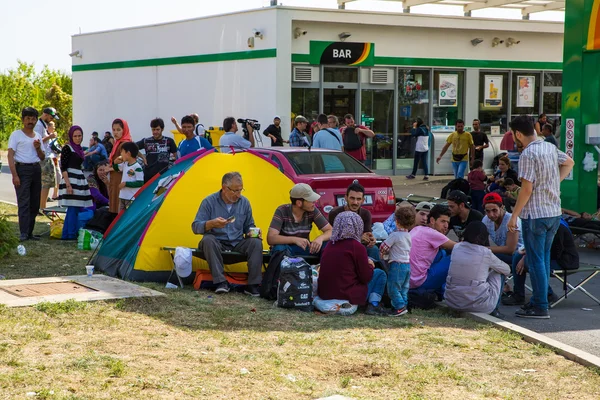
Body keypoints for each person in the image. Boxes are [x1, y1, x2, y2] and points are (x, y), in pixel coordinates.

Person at [507, 116, 574, 319]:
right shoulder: (549, 147)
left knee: (536, 261)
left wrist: (514, 215)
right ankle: (540, 300)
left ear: (518, 134)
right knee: (542, 259)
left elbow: (526, 189)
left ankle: (540, 306)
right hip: (554, 212)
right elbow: (569, 162)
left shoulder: (528, 153)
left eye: (513, 135)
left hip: (535, 214)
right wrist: (553, 183)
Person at [192, 172, 263, 296]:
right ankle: (220, 282)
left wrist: (254, 232)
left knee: (256, 242)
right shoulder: (209, 202)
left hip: (237, 243)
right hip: (217, 243)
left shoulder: (244, 203)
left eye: (241, 190)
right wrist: (212, 224)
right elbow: (195, 227)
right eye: (235, 191)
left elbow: (249, 226)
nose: (238, 194)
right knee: (208, 240)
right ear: (224, 188)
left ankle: (253, 285)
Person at [318, 211, 388, 316]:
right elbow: (366, 277)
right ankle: (373, 304)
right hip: (346, 295)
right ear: (358, 226)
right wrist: (369, 265)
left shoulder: (329, 245)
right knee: (380, 274)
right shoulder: (356, 246)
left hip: (325, 293)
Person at [445, 222, 511, 315]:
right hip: (477, 304)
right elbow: (507, 270)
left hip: (452, 301)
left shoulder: (456, 247)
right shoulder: (485, 252)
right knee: (498, 271)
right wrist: (490, 268)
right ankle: (495, 310)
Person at [508, 222, 579, 307]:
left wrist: (526, 257)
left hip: (564, 261)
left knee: (532, 263)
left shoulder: (556, 228)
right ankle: (518, 294)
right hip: (548, 258)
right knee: (517, 256)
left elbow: (552, 252)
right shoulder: (537, 225)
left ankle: (548, 294)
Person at [8, 107, 46, 241]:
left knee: (35, 203)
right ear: (23, 120)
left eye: (33, 118)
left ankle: (30, 232)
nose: (31, 121)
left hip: (36, 169)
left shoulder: (38, 136)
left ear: (36, 120)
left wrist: (38, 148)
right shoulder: (16, 135)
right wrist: (14, 175)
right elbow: (10, 156)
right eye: (28, 118)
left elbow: (42, 157)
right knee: (24, 202)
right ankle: (23, 232)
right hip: (22, 170)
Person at [267, 183, 332, 256]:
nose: (315, 202)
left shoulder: (313, 210)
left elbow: (331, 231)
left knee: (329, 245)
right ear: (299, 203)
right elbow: (271, 238)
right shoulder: (282, 211)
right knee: (279, 248)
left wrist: (320, 238)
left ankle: (322, 267)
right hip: (286, 248)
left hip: (305, 248)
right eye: (311, 200)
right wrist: (295, 240)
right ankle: (286, 267)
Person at [409, 205, 456, 297]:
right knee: (456, 256)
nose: (446, 226)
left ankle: (439, 291)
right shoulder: (432, 233)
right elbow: (462, 248)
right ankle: (443, 292)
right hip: (418, 282)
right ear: (432, 220)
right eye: (443, 221)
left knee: (441, 253)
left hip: (406, 281)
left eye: (447, 222)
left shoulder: (417, 228)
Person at [58, 126, 93, 240]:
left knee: (74, 208)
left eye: (79, 136)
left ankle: (67, 234)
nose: (78, 138)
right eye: (75, 136)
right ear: (71, 136)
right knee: (73, 208)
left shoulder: (80, 149)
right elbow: (63, 167)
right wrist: (68, 184)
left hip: (79, 178)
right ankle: (70, 234)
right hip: (71, 179)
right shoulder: (67, 148)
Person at [380, 206, 415, 316]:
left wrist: (383, 254)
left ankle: (399, 306)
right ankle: (403, 306)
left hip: (397, 265)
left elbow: (383, 246)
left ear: (397, 221)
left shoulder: (395, 235)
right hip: (407, 265)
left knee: (393, 288)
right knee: (403, 288)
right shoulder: (408, 235)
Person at [328, 183, 377, 260]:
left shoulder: (366, 214)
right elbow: (333, 237)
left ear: (363, 200)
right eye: (352, 198)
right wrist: (359, 238)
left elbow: (367, 234)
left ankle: (371, 270)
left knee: (374, 249)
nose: (355, 202)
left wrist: (371, 239)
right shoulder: (335, 213)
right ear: (346, 198)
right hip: (340, 246)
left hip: (359, 245)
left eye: (358, 199)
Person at [482, 193, 523, 266]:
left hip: (519, 255)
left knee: (490, 258)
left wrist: (483, 249)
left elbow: (510, 249)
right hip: (503, 254)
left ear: (502, 207)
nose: (491, 214)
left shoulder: (511, 220)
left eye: (494, 210)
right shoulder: (486, 220)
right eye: (487, 211)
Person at [136, 118, 178, 182]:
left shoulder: (169, 141)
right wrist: (142, 157)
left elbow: (177, 156)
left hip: (164, 176)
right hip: (148, 176)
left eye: (157, 129)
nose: (155, 132)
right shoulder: (146, 141)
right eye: (153, 129)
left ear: (162, 129)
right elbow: (132, 147)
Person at [35, 107, 59, 211]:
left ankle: (41, 206)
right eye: (51, 117)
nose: (52, 119)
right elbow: (37, 141)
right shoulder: (38, 125)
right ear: (45, 114)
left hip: (47, 156)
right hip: (43, 157)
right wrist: (50, 136)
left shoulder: (43, 125)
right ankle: (42, 208)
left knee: (47, 183)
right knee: (46, 182)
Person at [107, 119, 133, 214]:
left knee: (119, 207)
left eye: (118, 130)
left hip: (121, 177)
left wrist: (113, 163)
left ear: (124, 129)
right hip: (115, 176)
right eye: (113, 130)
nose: (115, 132)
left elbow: (124, 159)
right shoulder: (117, 143)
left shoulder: (124, 144)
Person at [112, 142, 144, 211]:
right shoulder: (125, 164)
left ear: (128, 153)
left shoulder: (137, 167)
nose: (121, 154)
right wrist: (114, 163)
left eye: (122, 152)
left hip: (131, 197)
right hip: (122, 196)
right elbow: (117, 168)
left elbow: (140, 182)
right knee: (120, 216)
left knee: (128, 216)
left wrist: (126, 184)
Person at [47, 121, 60, 202]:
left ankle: (55, 194)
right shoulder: (46, 136)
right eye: (53, 126)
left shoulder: (53, 138)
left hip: (55, 159)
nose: (54, 128)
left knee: (58, 175)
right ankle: (45, 196)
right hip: (49, 159)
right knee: (47, 178)